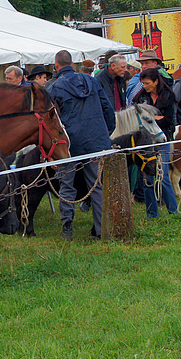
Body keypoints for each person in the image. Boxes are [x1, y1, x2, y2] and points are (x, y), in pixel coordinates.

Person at [47, 49, 115, 240]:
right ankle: (101, 230)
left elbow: (50, 121)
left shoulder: (54, 87)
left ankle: (67, 230)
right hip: (95, 140)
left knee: (67, 186)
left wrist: (52, 151)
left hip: (68, 145)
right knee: (97, 186)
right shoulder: (92, 81)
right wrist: (105, 134)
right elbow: (107, 109)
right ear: (73, 64)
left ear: (56, 65)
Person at [131, 68, 177, 219]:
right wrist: (155, 118)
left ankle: (173, 210)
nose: (145, 86)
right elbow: (139, 119)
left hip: (163, 140)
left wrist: (153, 119)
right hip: (146, 143)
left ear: (156, 82)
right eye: (143, 83)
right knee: (148, 178)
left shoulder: (169, 96)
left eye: (147, 83)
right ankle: (151, 213)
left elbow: (169, 120)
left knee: (163, 176)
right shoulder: (140, 98)